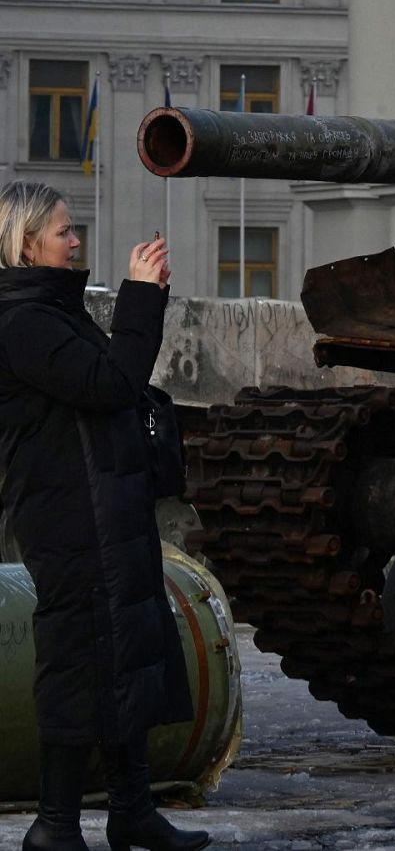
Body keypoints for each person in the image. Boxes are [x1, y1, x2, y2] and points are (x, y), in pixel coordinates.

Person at [0, 181, 209, 851]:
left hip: (103, 510)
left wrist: (144, 299)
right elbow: (111, 384)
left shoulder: (54, 312)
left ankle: (132, 811)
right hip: (71, 519)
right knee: (77, 659)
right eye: (63, 231)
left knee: (125, 650)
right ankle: (55, 825)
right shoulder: (21, 323)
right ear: (28, 243)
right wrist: (141, 297)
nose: (75, 241)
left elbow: (113, 382)